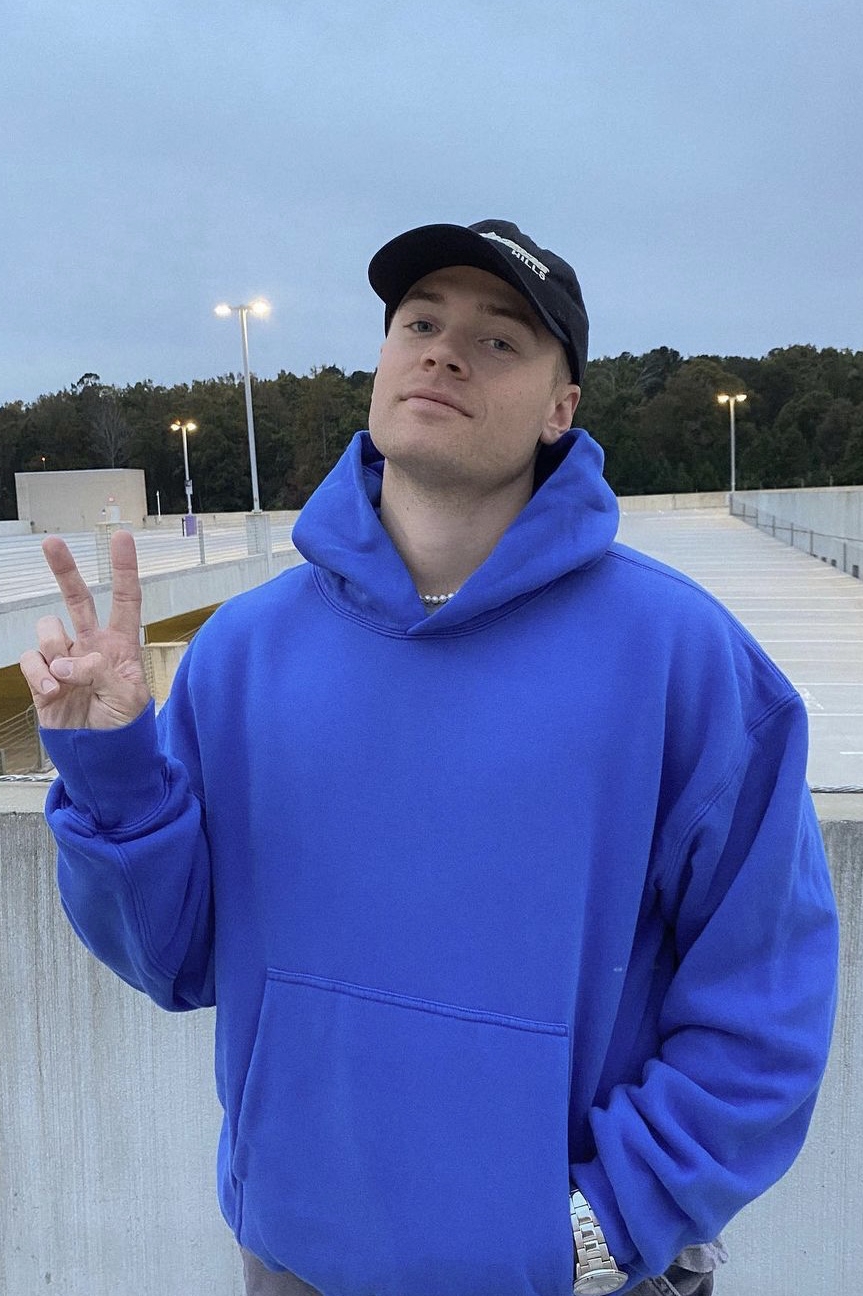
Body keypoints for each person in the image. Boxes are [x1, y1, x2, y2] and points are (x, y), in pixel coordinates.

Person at [21, 220, 838, 1296]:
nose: (444, 352)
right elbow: (171, 962)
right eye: (419, 323)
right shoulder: (244, 651)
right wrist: (113, 770)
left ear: (560, 409)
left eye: (498, 339)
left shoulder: (681, 658)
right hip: (295, 1263)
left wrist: (599, 1232)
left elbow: (766, 997)